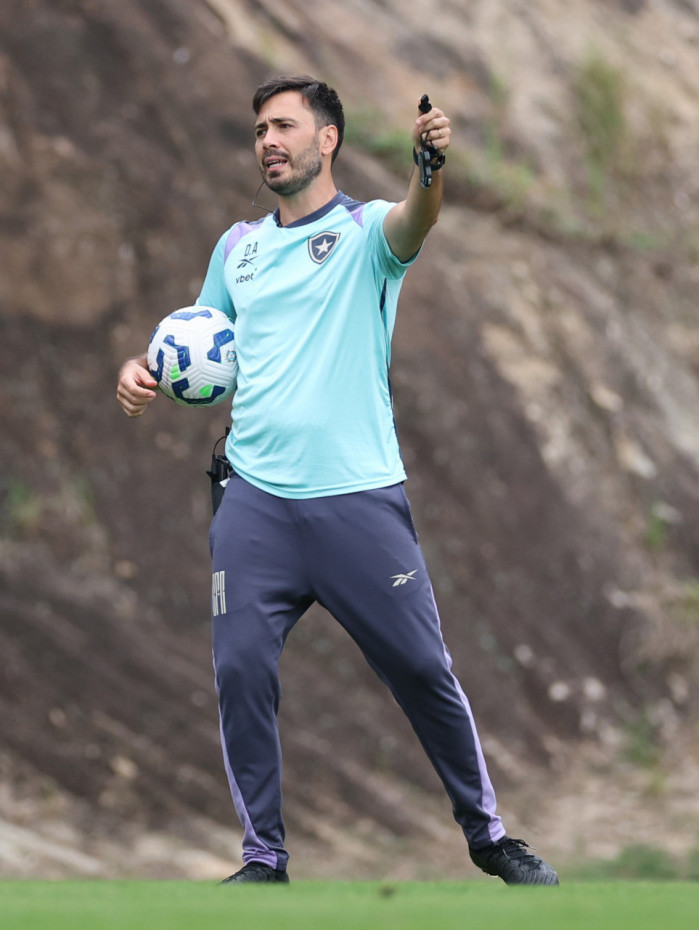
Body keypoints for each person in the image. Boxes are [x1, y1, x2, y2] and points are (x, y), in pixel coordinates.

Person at [117, 75, 559, 886]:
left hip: (357, 501)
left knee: (424, 672)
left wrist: (428, 170)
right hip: (253, 502)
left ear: (328, 140)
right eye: (258, 130)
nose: (267, 141)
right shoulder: (235, 248)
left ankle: (489, 837)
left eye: (284, 126)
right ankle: (263, 859)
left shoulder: (365, 236)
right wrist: (141, 369)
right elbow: (195, 341)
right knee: (241, 671)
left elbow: (414, 220)